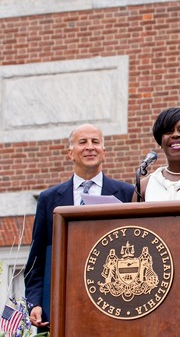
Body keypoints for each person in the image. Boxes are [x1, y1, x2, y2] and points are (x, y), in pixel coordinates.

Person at [24, 124, 134, 331]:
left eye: (95, 142)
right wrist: (35, 303)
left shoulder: (127, 194)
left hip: (112, 303)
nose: (90, 147)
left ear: (104, 152)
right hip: (62, 304)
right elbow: (36, 262)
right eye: (82, 142)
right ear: (70, 153)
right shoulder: (49, 199)